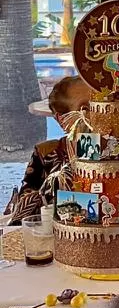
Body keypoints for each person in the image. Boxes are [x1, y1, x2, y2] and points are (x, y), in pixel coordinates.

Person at [5, 75, 91, 224]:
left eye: (99, 105)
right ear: (61, 119)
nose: (96, 113)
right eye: (84, 108)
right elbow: (23, 214)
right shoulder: (46, 153)